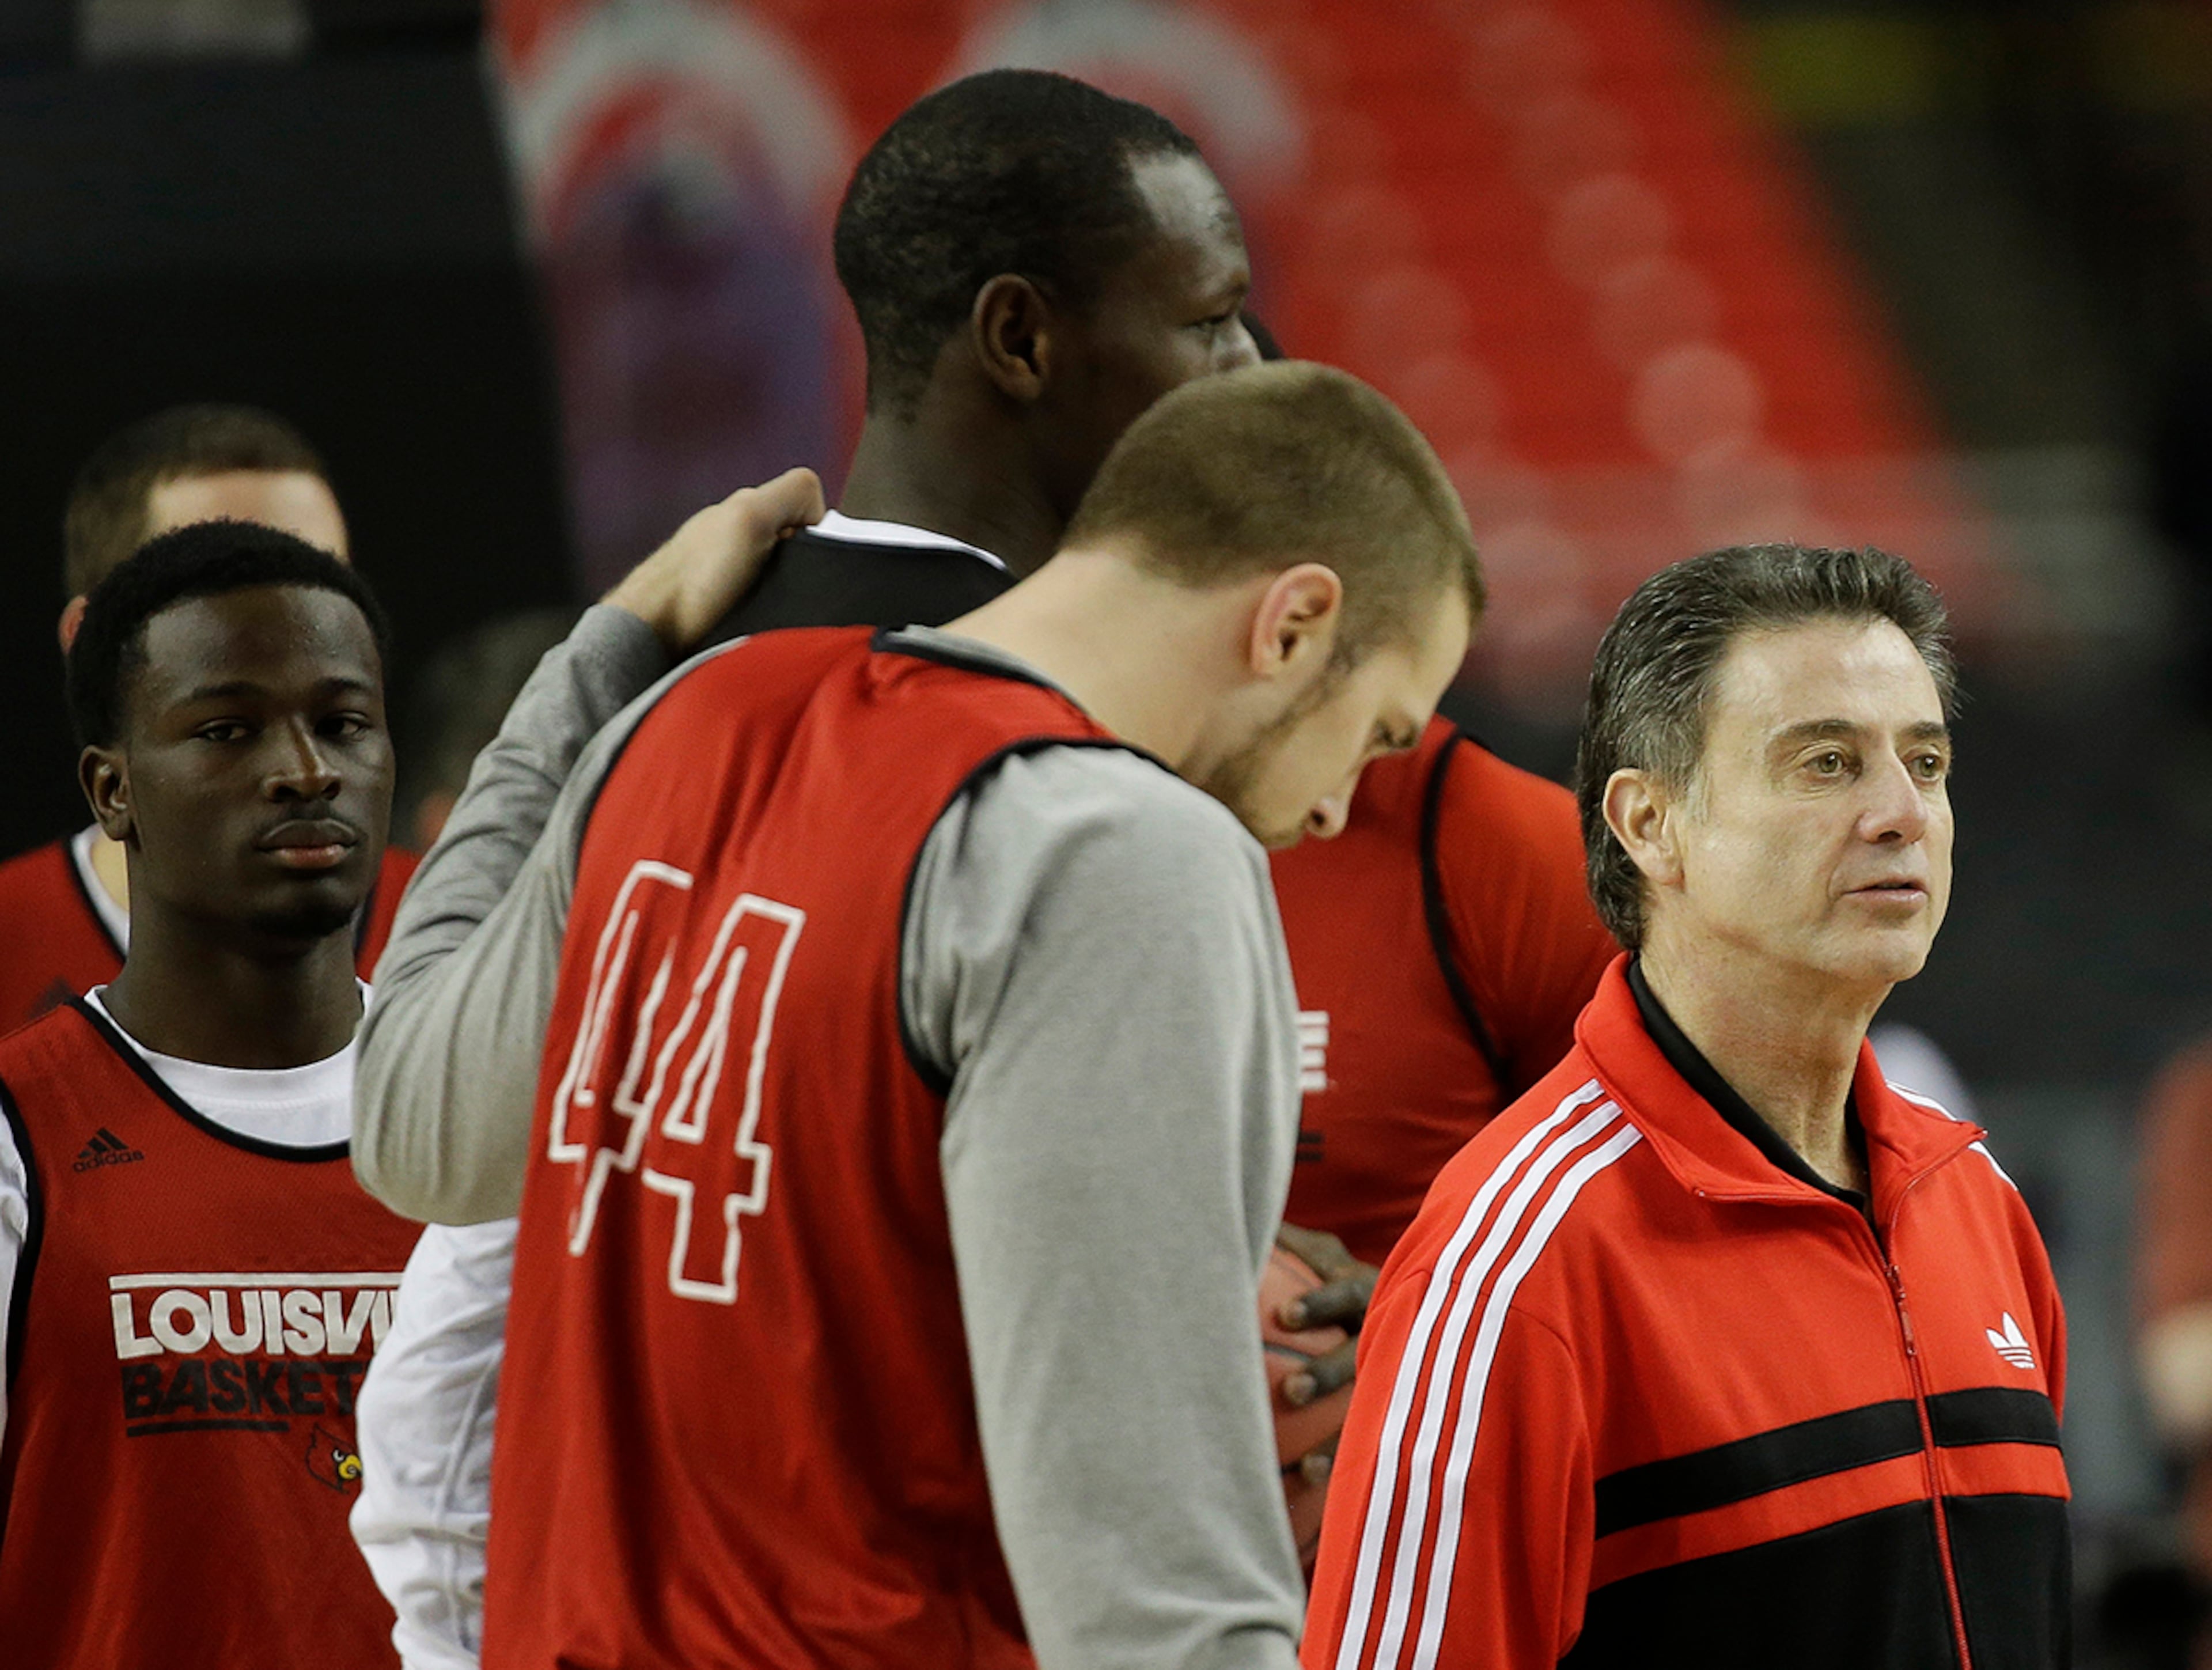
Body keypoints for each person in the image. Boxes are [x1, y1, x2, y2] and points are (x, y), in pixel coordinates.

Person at [352, 362, 1479, 1669]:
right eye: (1379, 730)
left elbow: (413, 1134)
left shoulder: (684, 717)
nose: (1343, 803)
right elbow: (1148, 1607)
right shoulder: (1119, 848)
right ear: (1292, 624)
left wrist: (616, 634)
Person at [351, 67, 1264, 1670]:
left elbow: (423, 1133)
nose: (1251, 374)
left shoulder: (687, 687)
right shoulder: (1055, 777)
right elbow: (1146, 1552)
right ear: (1023, 339)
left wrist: (612, 645)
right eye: (1208, 322)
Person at [1305, 544, 2070, 1670]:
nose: (1902, 813)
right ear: (1648, 823)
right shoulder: (1513, 1267)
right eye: (1826, 763)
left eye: (1926, 761)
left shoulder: (1977, 1201)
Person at [0, 523, 423, 1668]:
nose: (305, 769)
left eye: (343, 724)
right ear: (113, 788)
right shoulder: (17, 1135)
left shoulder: (493, 1118)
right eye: (229, 730)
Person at [0, 404, 418, 1030]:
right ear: (89, 640)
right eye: (213, 575)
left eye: (317, 576)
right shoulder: (14, 932)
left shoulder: (461, 921)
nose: (284, 616)